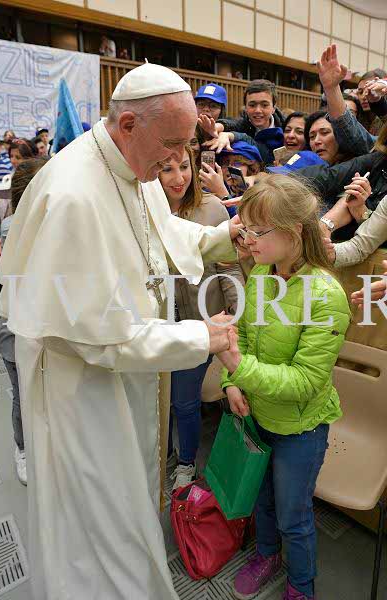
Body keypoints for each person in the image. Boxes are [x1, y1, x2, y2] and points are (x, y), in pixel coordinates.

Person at [0, 63, 242, 600]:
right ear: (128, 124)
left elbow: (163, 231)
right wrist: (200, 338)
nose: (176, 159)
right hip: (83, 392)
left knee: (129, 508)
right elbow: (96, 338)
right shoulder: (73, 195)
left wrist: (227, 234)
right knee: (98, 527)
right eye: (171, 144)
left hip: (126, 374)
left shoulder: (132, 167)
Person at [217, 174, 350, 600]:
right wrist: (231, 383)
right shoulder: (261, 273)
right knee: (262, 498)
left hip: (300, 428)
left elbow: (306, 382)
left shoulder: (326, 295)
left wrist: (237, 368)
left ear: (293, 232)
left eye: (257, 231)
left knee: (294, 513)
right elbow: (243, 335)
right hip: (257, 413)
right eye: (245, 229)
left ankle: (301, 584)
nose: (247, 240)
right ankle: (267, 555)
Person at [158, 145, 244, 489]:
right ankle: (161, 453)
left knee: (184, 401)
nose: (178, 178)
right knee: (158, 399)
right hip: (159, 323)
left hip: (201, 323)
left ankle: (186, 462)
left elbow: (230, 267)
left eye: (184, 167)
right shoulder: (145, 212)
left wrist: (235, 315)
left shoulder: (211, 208)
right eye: (166, 169)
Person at [0, 157, 48, 484]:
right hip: (18, 328)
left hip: (47, 325)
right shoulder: (14, 228)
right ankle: (22, 448)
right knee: (23, 395)